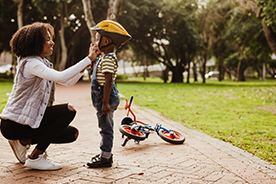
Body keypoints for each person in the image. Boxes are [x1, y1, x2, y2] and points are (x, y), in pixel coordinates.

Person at [0, 22, 100, 170]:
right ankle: (35, 157)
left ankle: (23, 141)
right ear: (36, 42)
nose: (52, 42)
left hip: (26, 122)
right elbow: (62, 77)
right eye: (47, 39)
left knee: (72, 134)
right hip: (14, 124)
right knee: (68, 110)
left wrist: (87, 64)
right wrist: (88, 59)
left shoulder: (43, 64)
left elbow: (68, 82)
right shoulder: (31, 63)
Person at [86, 20, 131, 168]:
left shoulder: (108, 59)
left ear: (106, 40)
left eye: (98, 38)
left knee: (106, 128)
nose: (96, 41)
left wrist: (105, 102)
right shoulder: (104, 58)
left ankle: (106, 157)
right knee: (105, 126)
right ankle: (105, 154)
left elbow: (108, 81)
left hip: (105, 98)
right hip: (103, 98)